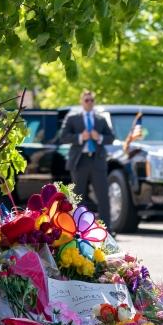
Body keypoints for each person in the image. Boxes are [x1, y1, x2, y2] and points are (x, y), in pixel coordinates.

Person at [59, 90, 116, 233]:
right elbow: (63, 137)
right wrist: (80, 137)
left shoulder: (100, 119)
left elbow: (111, 138)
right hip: (80, 161)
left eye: (91, 100)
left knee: (103, 196)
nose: (89, 102)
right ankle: (78, 229)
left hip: (97, 160)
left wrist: (100, 137)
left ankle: (106, 229)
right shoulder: (73, 118)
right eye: (86, 100)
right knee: (78, 197)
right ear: (81, 102)